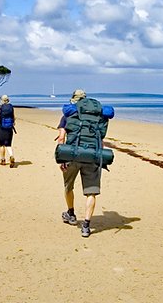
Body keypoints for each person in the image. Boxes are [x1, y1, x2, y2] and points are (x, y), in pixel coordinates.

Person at [56, 88, 106, 238]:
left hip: (72, 155)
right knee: (91, 192)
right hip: (92, 156)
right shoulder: (97, 116)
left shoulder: (69, 114)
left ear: (73, 100)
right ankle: (86, 225)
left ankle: (71, 214)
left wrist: (62, 158)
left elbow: (61, 138)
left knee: (68, 186)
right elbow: (101, 139)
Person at [0, 95, 16, 168]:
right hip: (9, 128)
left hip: (1, 128)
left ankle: (3, 160)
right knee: (8, 144)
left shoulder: (0, 108)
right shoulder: (11, 107)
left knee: (2, 144)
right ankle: (11, 155)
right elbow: (14, 118)